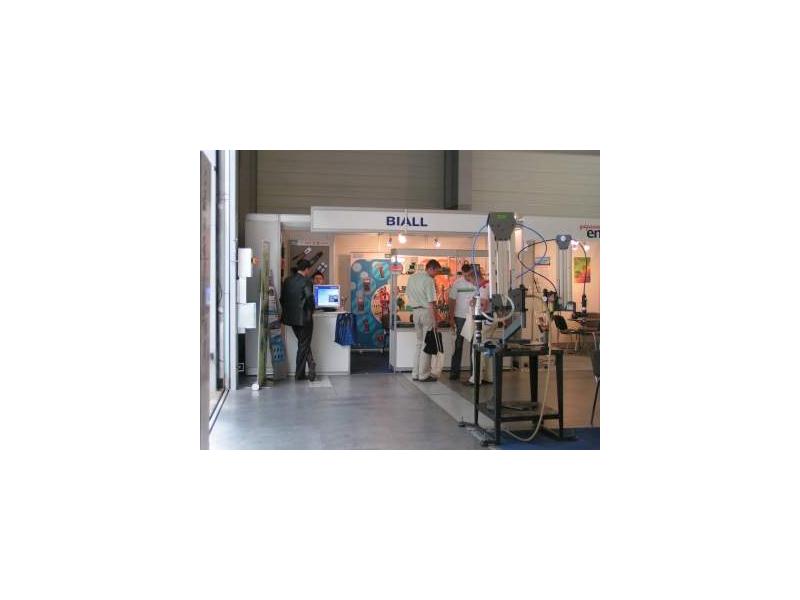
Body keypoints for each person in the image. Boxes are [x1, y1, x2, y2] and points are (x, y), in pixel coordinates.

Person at [405, 259, 442, 382]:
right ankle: (424, 374)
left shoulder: (412, 278)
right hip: (426, 312)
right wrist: (435, 320)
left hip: (415, 312)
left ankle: (415, 373)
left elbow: (408, 294)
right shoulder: (429, 280)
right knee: (427, 344)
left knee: (419, 343)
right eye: (436, 271)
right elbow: (431, 303)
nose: (436, 274)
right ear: (431, 268)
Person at [280, 259, 316, 381]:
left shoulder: (287, 280)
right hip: (304, 318)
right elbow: (309, 297)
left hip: (291, 318)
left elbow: (282, 299)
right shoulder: (306, 281)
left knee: (303, 343)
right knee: (303, 344)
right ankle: (300, 374)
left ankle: (311, 363)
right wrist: (313, 309)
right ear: (306, 269)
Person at [447, 263, 478, 380]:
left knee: (474, 345)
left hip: (474, 317)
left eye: (469, 274)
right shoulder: (457, 283)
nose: (467, 277)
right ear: (462, 273)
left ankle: (474, 374)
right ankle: (454, 372)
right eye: (465, 275)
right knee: (458, 345)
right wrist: (451, 318)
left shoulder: (477, 283)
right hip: (459, 317)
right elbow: (451, 300)